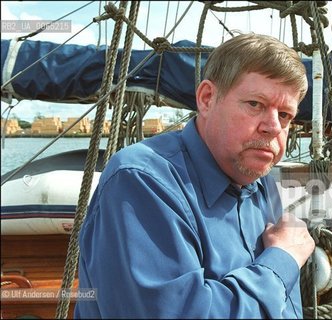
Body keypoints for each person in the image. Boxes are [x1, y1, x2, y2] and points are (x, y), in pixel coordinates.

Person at [74, 33, 315, 319]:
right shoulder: (141, 181)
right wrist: (282, 261)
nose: (273, 127)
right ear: (207, 98)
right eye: (255, 104)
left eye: (285, 115)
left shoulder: (263, 185)